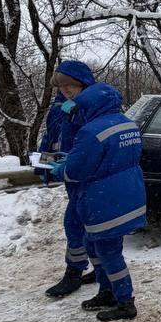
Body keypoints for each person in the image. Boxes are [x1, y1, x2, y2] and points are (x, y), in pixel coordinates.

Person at [53, 79, 147, 322]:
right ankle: (108, 291)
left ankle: (125, 301)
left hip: (103, 199)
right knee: (96, 244)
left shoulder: (92, 132)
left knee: (107, 249)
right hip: (126, 194)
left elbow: (76, 171)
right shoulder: (128, 124)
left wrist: (58, 168)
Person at [40, 59, 97, 298]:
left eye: (70, 85)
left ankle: (74, 273)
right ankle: (98, 265)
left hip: (87, 176)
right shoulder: (60, 106)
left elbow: (95, 142)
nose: (65, 89)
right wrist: (44, 162)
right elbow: (52, 136)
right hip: (69, 173)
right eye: (61, 85)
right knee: (84, 224)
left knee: (77, 223)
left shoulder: (92, 107)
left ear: (82, 83)